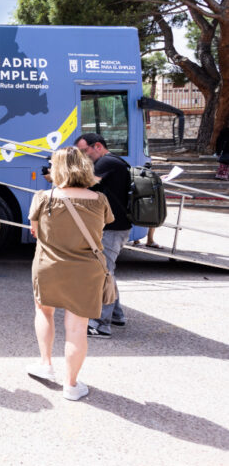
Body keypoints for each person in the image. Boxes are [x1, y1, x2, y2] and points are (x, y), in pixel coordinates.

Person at [27, 146, 114, 401]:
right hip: (86, 270)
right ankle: (71, 385)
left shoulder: (43, 197)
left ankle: (45, 364)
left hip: (48, 265)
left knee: (44, 311)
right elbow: (105, 225)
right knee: (77, 327)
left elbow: (34, 231)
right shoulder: (100, 200)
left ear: (58, 168)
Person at [75, 133, 130, 338]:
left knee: (102, 275)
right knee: (107, 271)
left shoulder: (107, 162)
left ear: (97, 146)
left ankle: (100, 325)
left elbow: (84, 184)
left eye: (84, 151)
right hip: (114, 226)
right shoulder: (113, 162)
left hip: (113, 228)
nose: (83, 156)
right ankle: (116, 315)